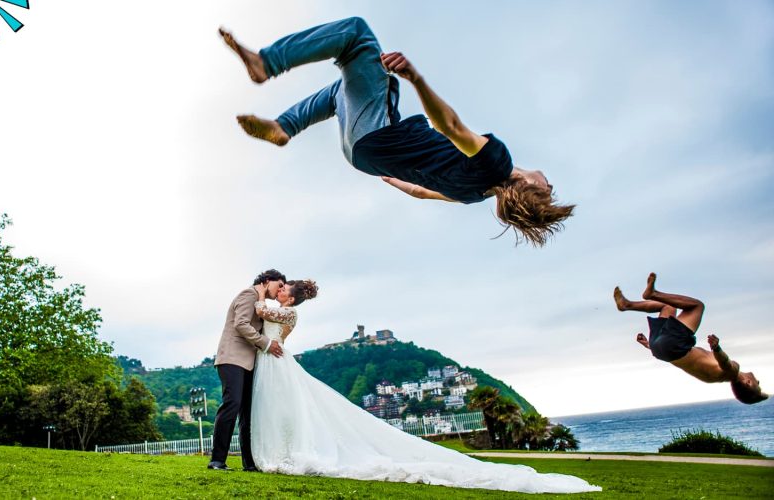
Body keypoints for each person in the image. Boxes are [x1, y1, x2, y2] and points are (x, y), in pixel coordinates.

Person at [218, 17, 574, 246]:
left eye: (548, 191)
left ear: (528, 186)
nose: (550, 185)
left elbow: (449, 126)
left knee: (356, 35)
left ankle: (268, 62)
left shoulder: (496, 162)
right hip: (364, 157)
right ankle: (285, 126)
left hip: (377, 137)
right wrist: (389, 175)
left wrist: (416, 77)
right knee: (351, 89)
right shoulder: (472, 195)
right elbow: (420, 192)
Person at [248, 280, 600, 493]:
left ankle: (283, 455)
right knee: (279, 410)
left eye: (284, 289)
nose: (280, 290)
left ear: (290, 298)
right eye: (279, 287)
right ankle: (278, 452)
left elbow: (261, 311)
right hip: (270, 359)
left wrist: (261, 291)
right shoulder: (282, 309)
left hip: (276, 361)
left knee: (286, 407)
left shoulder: (287, 312)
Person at [613, 273, 768, 405]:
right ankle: (626, 304)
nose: (758, 381)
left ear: (748, 383)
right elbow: (677, 358)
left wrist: (717, 348)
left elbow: (725, 363)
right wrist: (649, 344)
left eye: (758, 385)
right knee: (668, 307)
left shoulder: (733, 372)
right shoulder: (709, 378)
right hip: (660, 350)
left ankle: (652, 294)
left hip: (674, 345)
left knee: (697, 306)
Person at [207, 269, 287, 471]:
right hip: (232, 359)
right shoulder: (248, 294)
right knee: (231, 405)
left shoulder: (259, 300)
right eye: (279, 285)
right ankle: (217, 460)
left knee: (247, 413)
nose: (279, 291)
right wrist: (266, 343)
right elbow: (241, 324)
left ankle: (249, 463)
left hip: (249, 363)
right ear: (268, 280)